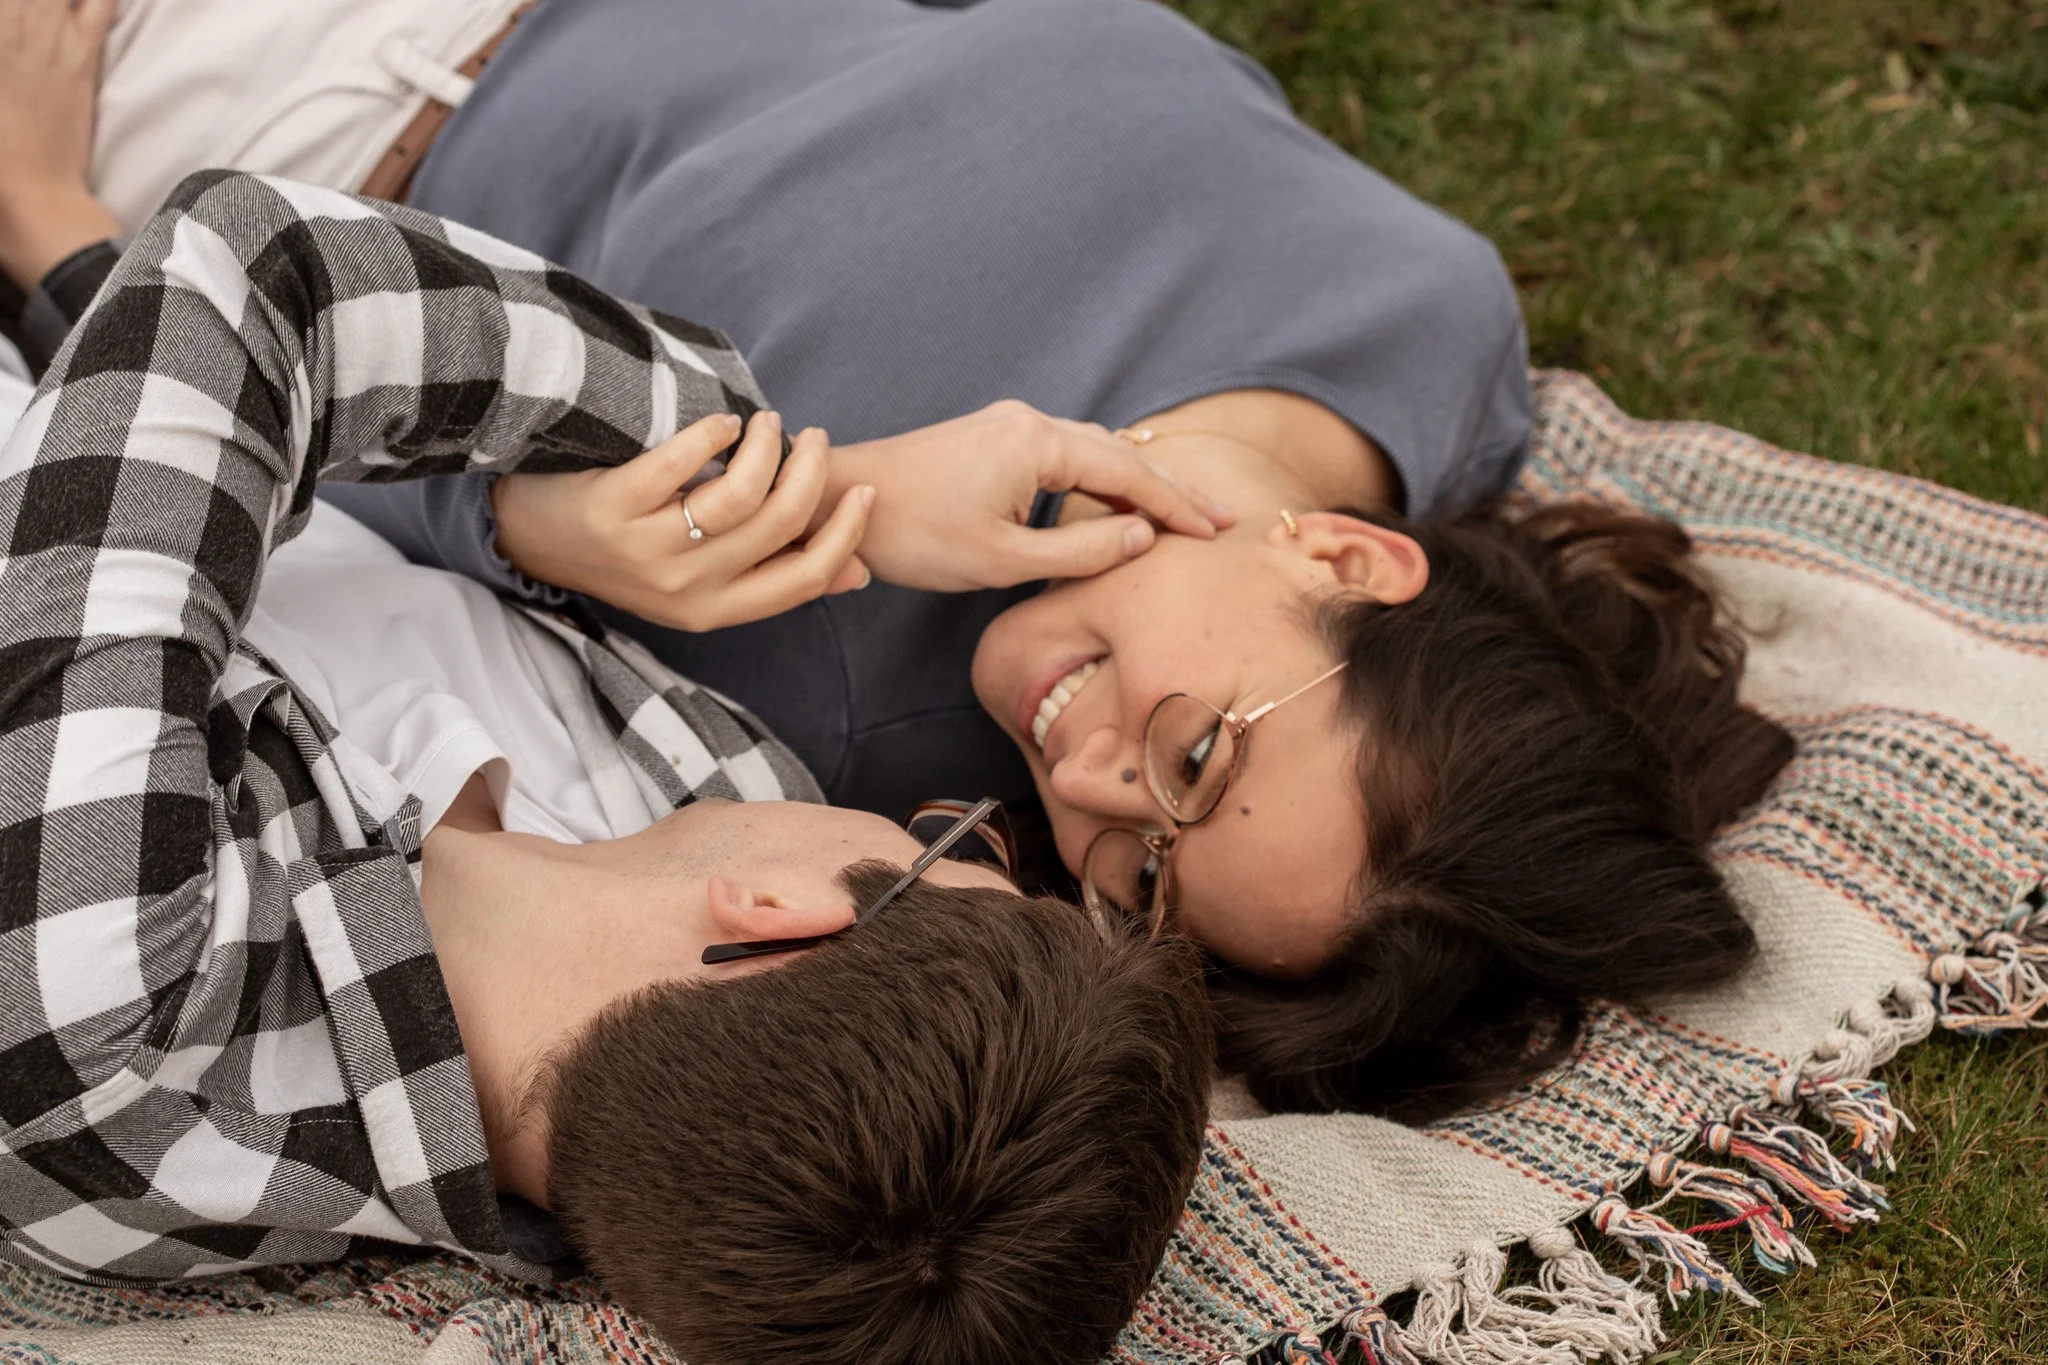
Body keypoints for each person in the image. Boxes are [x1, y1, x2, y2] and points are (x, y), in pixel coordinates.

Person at [0, 0, 1792, 1121]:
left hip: (253, 159)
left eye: (1141, 881)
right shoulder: (1425, 319)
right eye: (1193, 757)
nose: (1082, 782)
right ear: (1349, 557)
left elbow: (284, 473)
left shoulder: (849, 725)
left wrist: (57, 223)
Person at [0, 171, 1213, 1365]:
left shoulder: (113, 1009)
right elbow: (167, 481)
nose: (913, 825)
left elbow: (254, 270)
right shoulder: (709, 793)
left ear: (780, 919)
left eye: (951, 852)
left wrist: (760, 466)